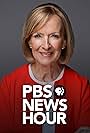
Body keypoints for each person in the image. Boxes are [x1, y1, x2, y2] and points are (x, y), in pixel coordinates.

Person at [0, 3, 90, 133]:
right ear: (29, 41)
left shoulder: (82, 86)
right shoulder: (8, 85)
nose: (46, 45)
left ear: (64, 42)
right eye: (38, 36)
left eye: (54, 36)